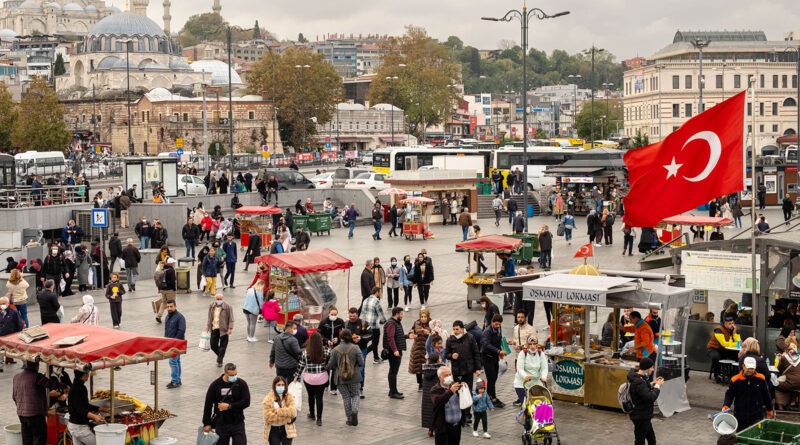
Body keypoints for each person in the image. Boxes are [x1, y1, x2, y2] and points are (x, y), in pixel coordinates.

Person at [12, 360, 64, 444]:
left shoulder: (16, 377)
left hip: (22, 415)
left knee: (27, 440)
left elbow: (14, 397)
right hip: (35, 415)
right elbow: (51, 384)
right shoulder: (37, 377)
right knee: (39, 439)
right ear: (37, 366)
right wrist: (64, 386)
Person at [203, 363, 251, 444]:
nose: (234, 377)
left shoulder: (241, 384)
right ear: (225, 373)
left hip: (237, 422)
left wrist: (230, 406)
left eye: (235, 374)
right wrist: (207, 423)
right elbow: (208, 405)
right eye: (232, 375)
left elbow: (246, 402)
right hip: (221, 423)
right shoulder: (215, 385)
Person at [723, 356, 774, 431]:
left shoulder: (761, 378)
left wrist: (769, 409)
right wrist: (726, 405)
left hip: (757, 414)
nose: (750, 370)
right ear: (743, 366)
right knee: (740, 436)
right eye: (748, 368)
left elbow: (766, 395)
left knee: (757, 434)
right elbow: (729, 394)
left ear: (755, 367)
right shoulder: (735, 380)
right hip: (740, 415)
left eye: (752, 368)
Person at [446, 320, 482, 422]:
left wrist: (477, 368)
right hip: (457, 371)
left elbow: (476, 353)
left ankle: (467, 414)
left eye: (457, 329)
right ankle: (460, 413)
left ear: (462, 329)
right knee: (458, 392)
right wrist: (451, 356)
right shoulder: (450, 340)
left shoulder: (470, 338)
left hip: (468, 370)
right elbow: (446, 354)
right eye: (454, 329)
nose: (455, 331)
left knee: (468, 391)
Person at [327, 328, 365, 426]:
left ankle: (349, 419)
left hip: (340, 378)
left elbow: (330, 365)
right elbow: (361, 363)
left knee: (346, 397)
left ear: (341, 338)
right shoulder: (355, 348)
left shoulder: (335, 350)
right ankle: (355, 411)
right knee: (356, 395)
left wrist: (337, 366)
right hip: (354, 377)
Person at [294, 331, 330, 426]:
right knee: (319, 398)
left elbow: (301, 366)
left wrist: (296, 376)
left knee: (311, 396)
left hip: (309, 378)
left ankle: (312, 414)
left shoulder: (306, 352)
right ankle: (319, 419)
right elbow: (329, 364)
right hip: (322, 377)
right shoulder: (326, 351)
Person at [628, 357, 664, 445]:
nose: (653, 369)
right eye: (651, 367)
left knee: (651, 439)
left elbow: (643, 390)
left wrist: (653, 383)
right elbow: (650, 397)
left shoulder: (639, 378)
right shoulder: (638, 381)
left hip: (644, 415)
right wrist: (658, 386)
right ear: (647, 368)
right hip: (641, 416)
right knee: (640, 440)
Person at [384, 307, 416, 399]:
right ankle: (393, 392)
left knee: (393, 371)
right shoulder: (391, 323)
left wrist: (408, 336)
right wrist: (395, 350)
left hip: (396, 350)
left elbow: (397, 335)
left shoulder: (395, 322)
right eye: (401, 314)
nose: (403, 315)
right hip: (394, 351)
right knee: (393, 371)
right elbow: (390, 338)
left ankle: (393, 391)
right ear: (397, 314)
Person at [67, 369, 105, 445]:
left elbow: (85, 405)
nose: (88, 375)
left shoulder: (76, 386)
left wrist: (99, 408)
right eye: (87, 373)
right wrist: (94, 416)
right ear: (84, 374)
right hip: (79, 427)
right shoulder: (79, 388)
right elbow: (80, 409)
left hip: (74, 425)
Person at [431, 366, 464, 445]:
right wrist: (450, 391)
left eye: (450, 374)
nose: (449, 377)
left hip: (456, 425)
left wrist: (464, 389)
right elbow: (438, 401)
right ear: (440, 377)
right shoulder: (435, 389)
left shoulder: (455, 386)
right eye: (446, 375)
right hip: (443, 427)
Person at [513, 335, 549, 406]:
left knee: (538, 404)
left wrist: (544, 376)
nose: (532, 346)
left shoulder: (540, 353)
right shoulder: (523, 353)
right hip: (522, 383)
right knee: (526, 404)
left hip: (536, 382)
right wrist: (525, 376)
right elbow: (520, 368)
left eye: (534, 344)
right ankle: (526, 414)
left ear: (537, 344)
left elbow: (544, 367)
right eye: (530, 344)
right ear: (527, 345)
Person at [480, 314, 507, 408]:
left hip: (495, 357)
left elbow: (499, 341)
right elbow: (486, 344)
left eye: (499, 324)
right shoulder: (487, 332)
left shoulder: (498, 329)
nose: (498, 326)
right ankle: (492, 398)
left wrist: (501, 351)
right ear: (492, 322)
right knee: (491, 378)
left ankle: (490, 397)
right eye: (496, 324)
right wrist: (498, 351)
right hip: (487, 357)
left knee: (494, 378)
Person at [262, 376, 297, 444]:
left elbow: (293, 411)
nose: (281, 386)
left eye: (282, 385)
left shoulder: (289, 396)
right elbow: (268, 416)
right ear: (274, 386)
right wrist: (287, 417)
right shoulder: (268, 398)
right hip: (273, 430)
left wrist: (278, 411)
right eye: (278, 385)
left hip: (287, 429)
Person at [707, 315, 742, 382]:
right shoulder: (719, 330)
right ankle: (717, 375)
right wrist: (735, 344)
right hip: (714, 348)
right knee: (716, 357)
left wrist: (734, 333)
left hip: (726, 350)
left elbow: (739, 341)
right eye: (730, 324)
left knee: (738, 356)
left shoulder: (734, 330)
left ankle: (734, 374)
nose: (732, 325)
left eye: (733, 323)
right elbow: (724, 343)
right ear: (725, 324)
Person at [319, 306, 345, 395]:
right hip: (326, 348)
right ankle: (325, 384)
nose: (333, 316)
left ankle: (333, 387)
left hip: (337, 348)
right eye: (332, 314)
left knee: (335, 368)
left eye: (335, 314)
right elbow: (319, 334)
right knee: (326, 366)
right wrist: (326, 341)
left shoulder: (340, 322)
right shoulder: (323, 322)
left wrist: (338, 338)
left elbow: (344, 333)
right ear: (328, 314)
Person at [361, 286, 387, 364]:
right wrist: (384, 321)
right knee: (375, 343)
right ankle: (363, 355)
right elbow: (381, 314)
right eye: (380, 292)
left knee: (369, 342)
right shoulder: (376, 301)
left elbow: (362, 313)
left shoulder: (365, 300)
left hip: (366, 325)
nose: (380, 294)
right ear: (377, 292)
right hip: (374, 326)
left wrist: (362, 324)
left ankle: (376, 357)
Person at [206, 293, 234, 367]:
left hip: (224, 329)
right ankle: (220, 356)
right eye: (217, 299)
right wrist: (208, 326)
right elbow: (209, 317)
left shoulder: (227, 307)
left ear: (223, 299)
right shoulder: (212, 306)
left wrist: (230, 328)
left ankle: (219, 361)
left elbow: (231, 318)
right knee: (213, 345)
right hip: (214, 328)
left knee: (223, 346)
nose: (219, 300)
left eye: (220, 299)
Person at [164, 300, 186, 389]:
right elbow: (166, 330)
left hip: (176, 344)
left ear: (175, 306)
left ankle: (175, 381)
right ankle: (177, 380)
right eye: (168, 307)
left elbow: (181, 330)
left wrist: (175, 342)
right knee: (176, 361)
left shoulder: (180, 317)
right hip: (169, 343)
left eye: (171, 306)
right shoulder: (167, 317)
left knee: (173, 362)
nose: (169, 308)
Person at [408, 309, 432, 391]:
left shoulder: (432, 324)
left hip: (427, 350)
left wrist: (429, 333)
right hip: (417, 348)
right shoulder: (416, 323)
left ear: (428, 317)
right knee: (418, 368)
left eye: (425, 316)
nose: (423, 318)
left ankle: (426, 383)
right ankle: (420, 383)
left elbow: (437, 335)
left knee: (427, 368)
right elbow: (411, 331)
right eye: (422, 316)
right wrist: (411, 334)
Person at [155, 257, 177, 323]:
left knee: (164, 303)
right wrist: (174, 289)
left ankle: (158, 316)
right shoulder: (171, 270)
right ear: (171, 263)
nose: (174, 263)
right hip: (169, 290)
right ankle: (171, 317)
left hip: (162, 289)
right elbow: (173, 281)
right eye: (173, 262)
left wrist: (159, 288)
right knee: (171, 303)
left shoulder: (163, 268)